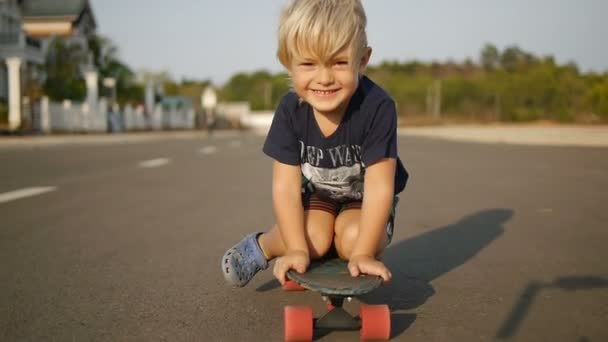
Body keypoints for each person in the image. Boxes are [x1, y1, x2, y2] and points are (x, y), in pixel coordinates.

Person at [221, 0, 408, 287]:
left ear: (362, 60)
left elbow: (381, 186)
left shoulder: (377, 107)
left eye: (339, 62)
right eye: (308, 63)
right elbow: (285, 188)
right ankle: (264, 246)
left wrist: (363, 254)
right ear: (288, 62)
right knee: (313, 240)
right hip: (318, 195)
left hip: (364, 200)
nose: (324, 78)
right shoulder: (290, 111)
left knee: (352, 241)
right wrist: (296, 248)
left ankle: (343, 247)